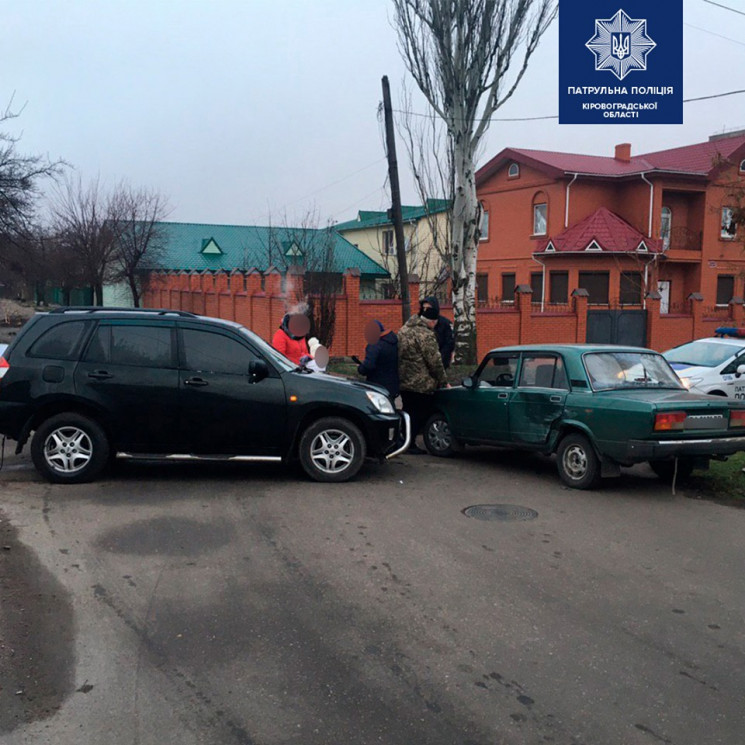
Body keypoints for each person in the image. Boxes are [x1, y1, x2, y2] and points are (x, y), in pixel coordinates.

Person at [397, 306, 449, 454]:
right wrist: (443, 381)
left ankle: (402, 440)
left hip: (404, 380)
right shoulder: (425, 335)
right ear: (432, 322)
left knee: (407, 411)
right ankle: (410, 444)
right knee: (419, 414)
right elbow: (434, 361)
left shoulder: (403, 330)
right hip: (421, 383)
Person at [353, 320, 399, 397]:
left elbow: (369, 365)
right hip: (393, 384)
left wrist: (360, 368)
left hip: (377, 385)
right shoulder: (394, 342)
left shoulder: (374, 345)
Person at [420, 296, 455, 369]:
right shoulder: (420, 323)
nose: (426, 311)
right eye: (424, 308)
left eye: (428, 308)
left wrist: (439, 358)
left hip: (441, 363)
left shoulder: (445, 323)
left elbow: (449, 343)